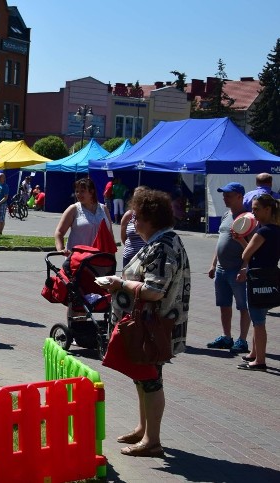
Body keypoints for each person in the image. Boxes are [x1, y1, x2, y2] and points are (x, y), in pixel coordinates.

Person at [101, 189, 190, 458]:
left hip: (154, 328)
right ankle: (143, 429)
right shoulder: (160, 242)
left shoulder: (163, 246)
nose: (132, 222)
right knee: (143, 378)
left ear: (150, 218)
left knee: (152, 380)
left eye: (136, 217)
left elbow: (154, 290)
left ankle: (152, 441)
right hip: (147, 326)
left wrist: (120, 284)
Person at [235, 194, 280, 371]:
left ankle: (260, 360)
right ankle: (254, 353)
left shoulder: (263, 232)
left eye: (256, 209)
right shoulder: (277, 230)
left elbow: (246, 255)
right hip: (270, 275)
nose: (253, 213)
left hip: (258, 278)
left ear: (268, 210)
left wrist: (240, 240)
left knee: (258, 321)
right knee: (258, 318)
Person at [206, 183, 251, 354]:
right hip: (221, 269)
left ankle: (242, 340)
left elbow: (252, 247)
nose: (225, 198)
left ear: (240, 196)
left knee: (243, 306)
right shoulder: (226, 215)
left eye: (228, 195)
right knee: (224, 304)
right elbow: (220, 242)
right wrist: (213, 264)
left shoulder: (248, 218)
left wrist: (245, 267)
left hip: (237, 270)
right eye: (224, 195)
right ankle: (226, 337)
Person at [54, 178, 112, 255]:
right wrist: (61, 249)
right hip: (78, 260)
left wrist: (112, 257)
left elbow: (110, 235)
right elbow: (59, 232)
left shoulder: (103, 209)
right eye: (77, 191)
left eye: (82, 191)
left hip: (100, 259)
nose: (78, 194)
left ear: (91, 192)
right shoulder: (73, 209)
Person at [120, 186, 148, 268]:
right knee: (127, 280)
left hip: (147, 258)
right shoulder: (128, 215)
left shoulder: (151, 215)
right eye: (135, 197)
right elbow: (123, 237)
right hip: (129, 257)